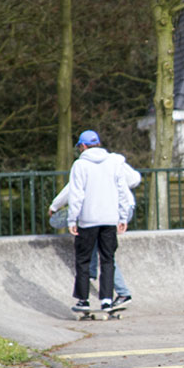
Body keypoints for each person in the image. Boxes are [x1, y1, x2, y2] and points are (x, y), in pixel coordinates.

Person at [49, 154, 140, 309]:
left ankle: (121, 292)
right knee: (105, 253)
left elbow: (73, 189)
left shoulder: (84, 165)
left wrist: (55, 206)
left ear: (83, 148)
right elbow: (134, 179)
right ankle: (100, 287)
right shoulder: (115, 161)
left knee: (99, 250)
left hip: (103, 212)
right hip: (118, 210)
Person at [67, 130, 130, 312]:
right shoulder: (114, 162)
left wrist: (72, 219)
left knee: (83, 260)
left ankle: (83, 300)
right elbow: (122, 191)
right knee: (108, 259)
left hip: (88, 219)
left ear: (83, 146)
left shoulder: (80, 165)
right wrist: (123, 216)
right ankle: (107, 300)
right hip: (110, 219)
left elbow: (76, 194)